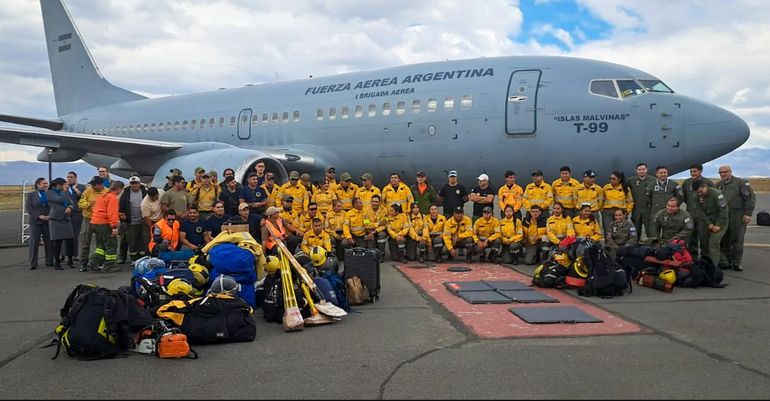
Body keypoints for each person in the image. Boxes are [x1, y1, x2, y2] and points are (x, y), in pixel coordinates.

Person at [717, 165, 755, 271]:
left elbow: (750, 199)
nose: (723, 174)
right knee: (724, 239)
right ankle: (725, 261)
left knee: (737, 239)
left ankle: (736, 262)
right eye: (721, 173)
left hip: (738, 216)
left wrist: (748, 213)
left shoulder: (741, 183)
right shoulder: (719, 185)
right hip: (724, 216)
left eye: (725, 172)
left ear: (730, 172)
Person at [690, 180, 728, 267]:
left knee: (713, 243)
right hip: (706, 221)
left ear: (704, 186)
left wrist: (718, 225)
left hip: (720, 220)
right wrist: (709, 224)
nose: (699, 194)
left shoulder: (717, 194)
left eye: (700, 191)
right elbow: (699, 212)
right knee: (704, 243)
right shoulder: (695, 196)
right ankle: (721, 261)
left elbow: (723, 210)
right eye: (697, 192)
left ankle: (713, 267)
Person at [681, 163, 715, 257]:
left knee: (704, 239)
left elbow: (713, 198)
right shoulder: (687, 182)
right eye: (691, 171)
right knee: (691, 238)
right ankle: (693, 257)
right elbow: (684, 196)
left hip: (703, 216)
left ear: (700, 171)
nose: (692, 173)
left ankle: (705, 258)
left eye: (695, 171)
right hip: (691, 214)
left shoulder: (708, 183)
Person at [89, 181, 123, 272]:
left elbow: (101, 209)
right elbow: (111, 213)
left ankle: (93, 262)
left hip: (95, 223)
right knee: (111, 244)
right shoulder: (112, 198)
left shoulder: (103, 196)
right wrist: (114, 227)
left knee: (101, 246)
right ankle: (109, 266)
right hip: (104, 224)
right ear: (119, 188)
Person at [77, 176, 108, 271]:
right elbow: (80, 204)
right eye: (92, 185)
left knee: (101, 242)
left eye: (95, 185)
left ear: (100, 184)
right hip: (88, 219)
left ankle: (99, 262)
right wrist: (89, 204)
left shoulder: (107, 192)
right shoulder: (87, 192)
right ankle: (83, 263)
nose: (93, 186)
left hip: (101, 220)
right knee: (85, 240)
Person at [118, 176, 148, 264]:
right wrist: (121, 215)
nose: (134, 185)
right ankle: (133, 258)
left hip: (143, 221)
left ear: (139, 183)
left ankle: (142, 258)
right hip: (131, 221)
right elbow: (121, 206)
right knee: (131, 240)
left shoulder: (145, 192)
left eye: (136, 183)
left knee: (143, 240)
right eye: (132, 183)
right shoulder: (125, 193)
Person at [46, 177, 75, 270]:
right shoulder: (49, 193)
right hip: (56, 220)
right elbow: (60, 200)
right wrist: (66, 191)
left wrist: (70, 207)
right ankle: (57, 262)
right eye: (63, 185)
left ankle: (70, 260)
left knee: (70, 241)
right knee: (57, 242)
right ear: (58, 185)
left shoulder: (64, 192)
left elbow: (71, 202)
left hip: (66, 219)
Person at [26, 177, 52, 270]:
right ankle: (33, 263)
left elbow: (53, 206)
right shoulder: (31, 195)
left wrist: (50, 215)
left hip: (47, 221)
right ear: (38, 184)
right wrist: (39, 216)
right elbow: (29, 208)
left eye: (46, 183)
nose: (46, 185)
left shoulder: (49, 194)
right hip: (35, 222)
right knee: (34, 242)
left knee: (49, 242)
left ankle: (49, 261)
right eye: (44, 183)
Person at [601, 171, 633, 238]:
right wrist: (602, 210)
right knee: (608, 230)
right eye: (610, 178)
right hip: (608, 212)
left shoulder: (625, 189)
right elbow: (602, 199)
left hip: (621, 211)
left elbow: (630, 201)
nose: (611, 180)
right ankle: (609, 246)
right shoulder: (606, 188)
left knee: (620, 230)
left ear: (619, 179)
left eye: (613, 179)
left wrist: (627, 211)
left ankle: (620, 246)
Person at [626, 162, 654, 239]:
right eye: (639, 169)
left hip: (648, 208)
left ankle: (651, 246)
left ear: (647, 170)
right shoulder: (631, 180)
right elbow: (623, 189)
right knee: (636, 229)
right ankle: (636, 246)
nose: (641, 171)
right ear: (636, 170)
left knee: (650, 229)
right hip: (636, 208)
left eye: (643, 169)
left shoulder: (653, 180)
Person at [65, 171, 86, 261]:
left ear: (75, 178)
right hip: (66, 212)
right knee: (65, 234)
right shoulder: (64, 187)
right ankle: (64, 253)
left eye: (71, 177)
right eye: (68, 177)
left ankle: (75, 253)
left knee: (75, 234)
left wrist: (76, 190)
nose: (69, 179)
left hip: (77, 213)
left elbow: (83, 197)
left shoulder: (81, 187)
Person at [368, 194, 389, 260]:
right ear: (371, 202)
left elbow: (385, 224)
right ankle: (372, 255)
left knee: (381, 235)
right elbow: (367, 224)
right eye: (373, 201)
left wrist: (375, 230)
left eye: (376, 202)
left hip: (380, 231)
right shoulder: (366, 211)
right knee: (370, 240)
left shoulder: (385, 210)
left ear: (379, 202)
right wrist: (378, 224)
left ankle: (381, 255)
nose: (374, 203)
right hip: (370, 230)